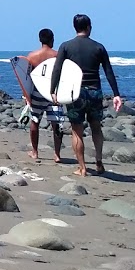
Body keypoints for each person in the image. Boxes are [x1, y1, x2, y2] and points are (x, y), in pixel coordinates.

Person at [49, 13, 123, 177]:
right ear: (89, 27)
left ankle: (82, 168)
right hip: (95, 92)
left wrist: (52, 90)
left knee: (77, 131)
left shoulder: (66, 46)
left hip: (76, 94)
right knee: (96, 128)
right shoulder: (99, 47)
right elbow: (108, 71)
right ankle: (98, 162)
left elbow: (57, 69)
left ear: (75, 28)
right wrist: (116, 94)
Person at [23, 28, 65, 163]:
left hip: (37, 92)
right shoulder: (58, 55)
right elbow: (64, 76)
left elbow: (27, 79)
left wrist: (26, 96)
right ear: (52, 39)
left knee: (35, 121)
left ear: (40, 40)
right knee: (56, 123)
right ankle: (57, 154)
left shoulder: (32, 56)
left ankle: (35, 152)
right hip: (54, 94)